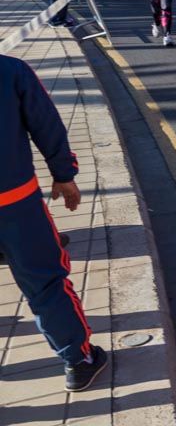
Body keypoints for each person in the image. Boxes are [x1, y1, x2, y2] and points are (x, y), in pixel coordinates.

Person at [0, 54, 109, 391]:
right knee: (46, 282)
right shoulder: (10, 70)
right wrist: (64, 174)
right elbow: (46, 123)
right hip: (15, 203)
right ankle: (79, 359)